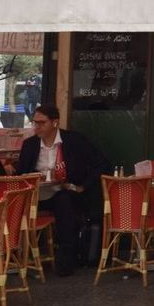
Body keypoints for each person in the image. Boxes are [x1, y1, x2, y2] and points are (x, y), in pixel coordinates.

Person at [17, 104, 106, 276]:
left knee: (64, 201)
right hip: (36, 194)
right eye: (35, 123)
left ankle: (66, 258)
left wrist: (83, 186)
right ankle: (14, 256)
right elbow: (21, 173)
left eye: (42, 123)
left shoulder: (73, 141)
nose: (37, 127)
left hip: (65, 191)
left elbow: (101, 163)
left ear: (55, 123)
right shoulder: (29, 145)